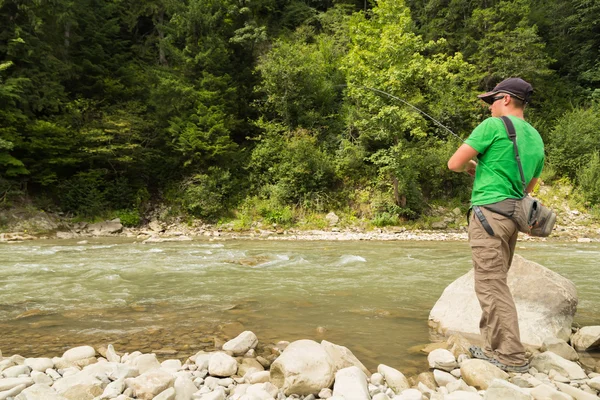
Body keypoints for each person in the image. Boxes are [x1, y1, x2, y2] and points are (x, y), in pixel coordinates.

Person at [447, 77, 545, 373]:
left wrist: (471, 167)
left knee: (490, 286)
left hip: (489, 215)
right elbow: (529, 186)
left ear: (504, 99)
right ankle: (492, 348)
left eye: (492, 101)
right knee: (494, 282)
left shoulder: (493, 126)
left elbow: (454, 163)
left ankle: (511, 356)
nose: (490, 108)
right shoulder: (536, 138)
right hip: (513, 218)